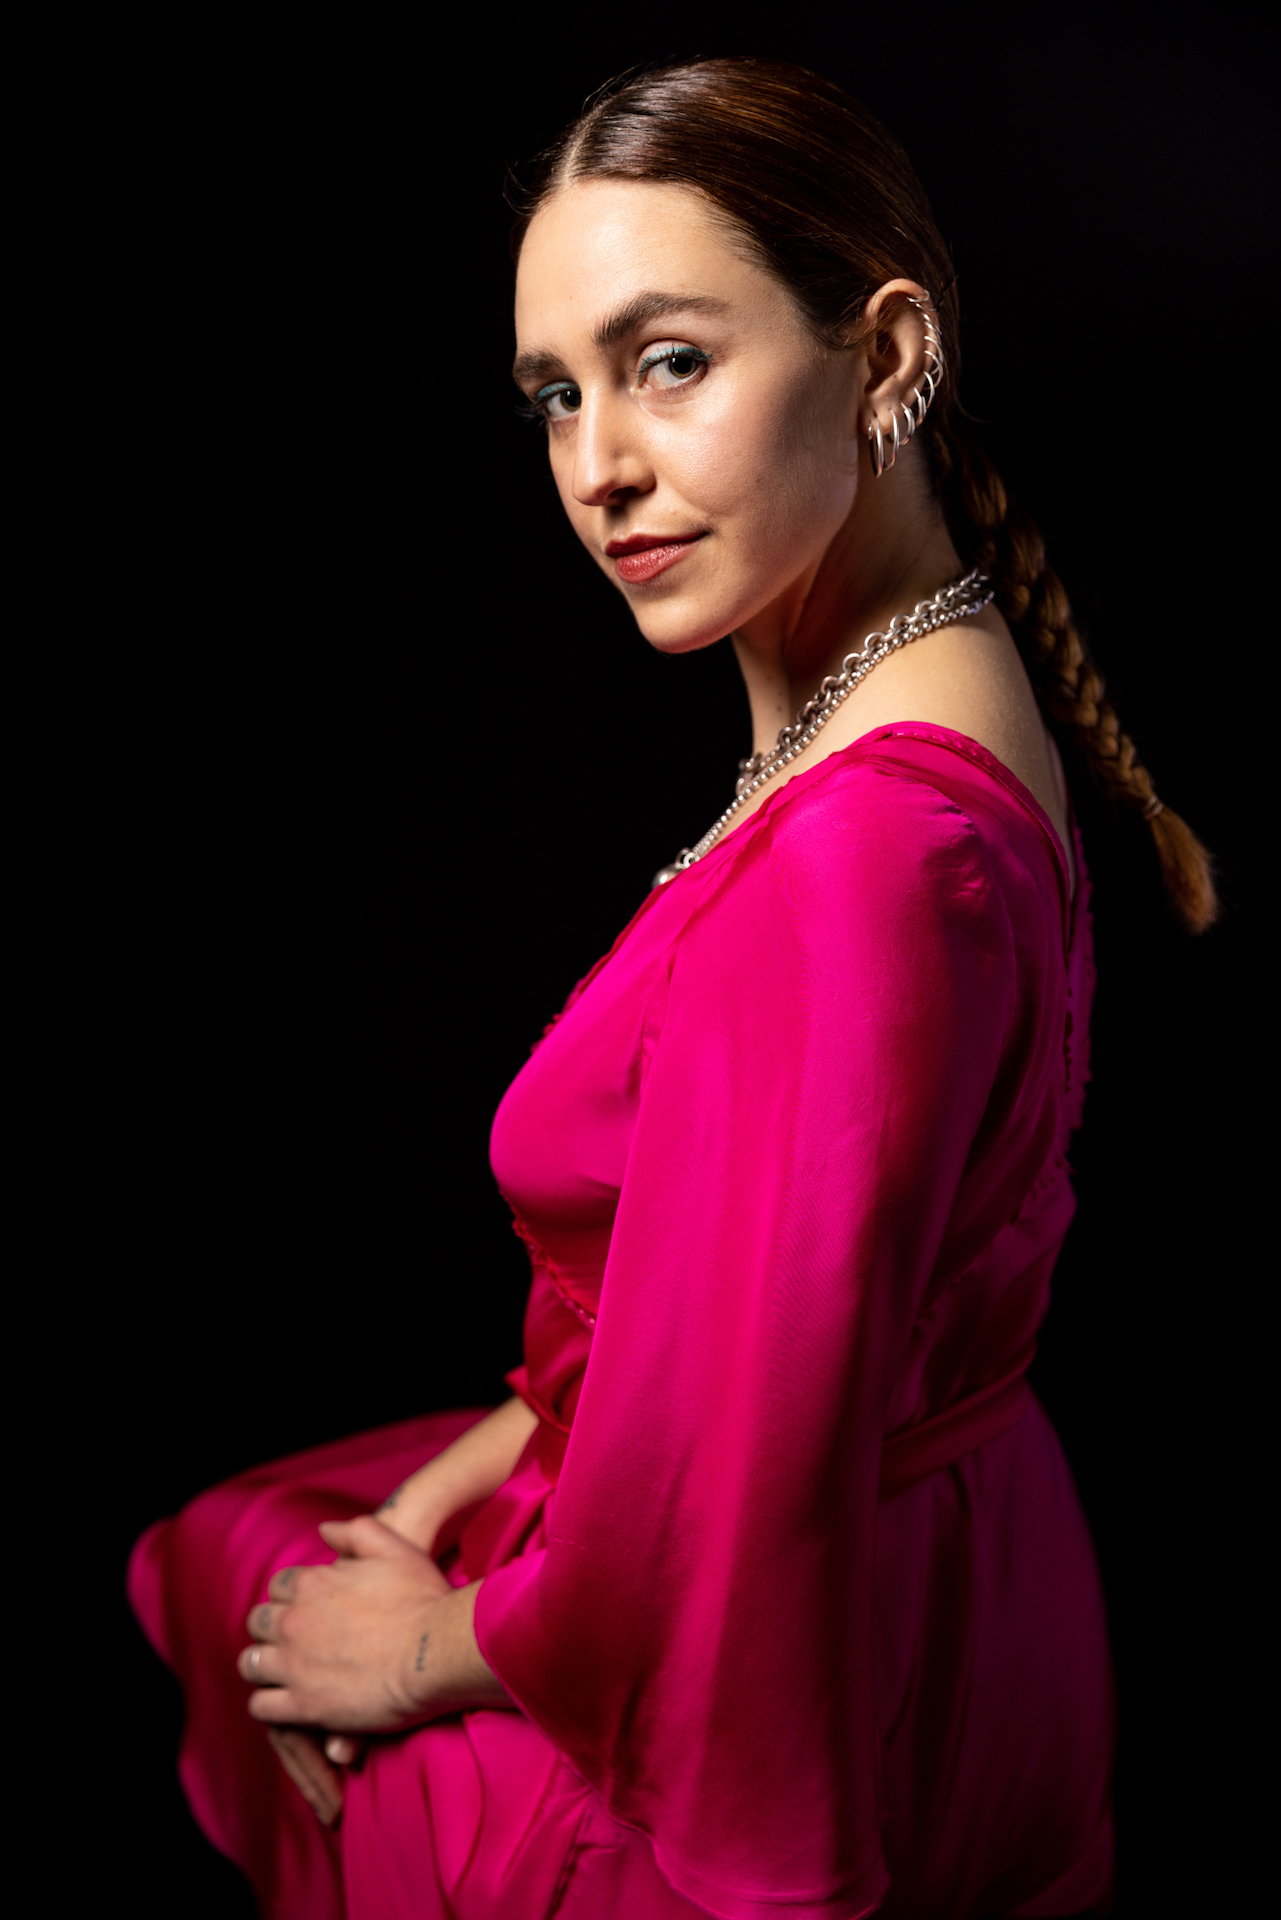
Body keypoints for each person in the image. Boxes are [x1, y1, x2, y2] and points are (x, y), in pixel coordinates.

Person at [129, 57, 1216, 1920]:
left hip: (787, 1667)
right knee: (291, 1537)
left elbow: (734, 1495)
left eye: (669, 362)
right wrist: (449, 1494)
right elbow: (721, 1304)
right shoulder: (921, 694)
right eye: (557, 392)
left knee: (239, 1576)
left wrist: (417, 1648)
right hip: (964, 1567)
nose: (596, 465)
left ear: (884, 357)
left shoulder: (861, 863)